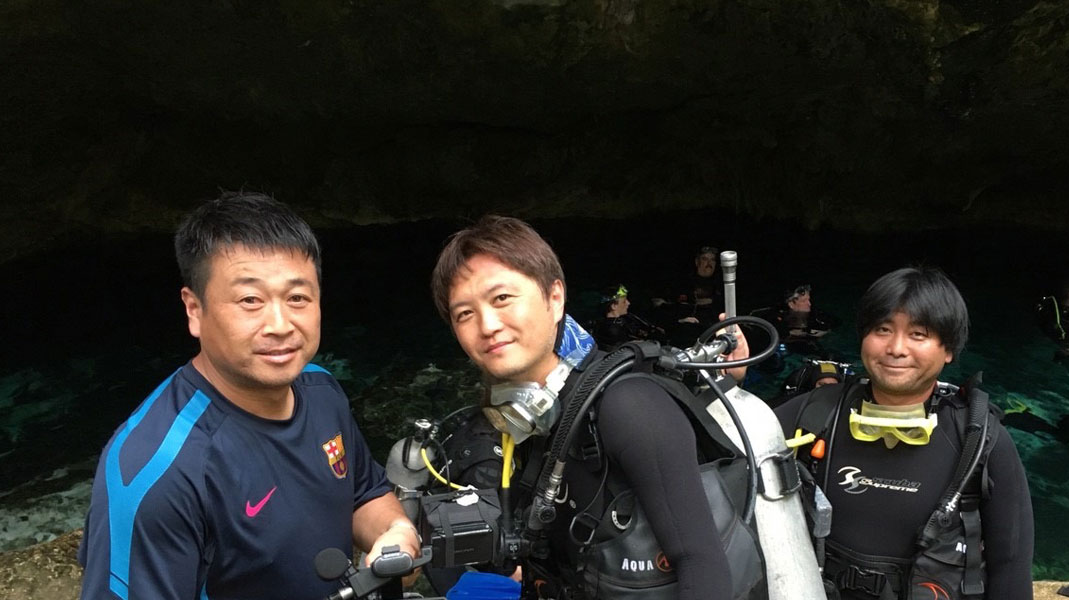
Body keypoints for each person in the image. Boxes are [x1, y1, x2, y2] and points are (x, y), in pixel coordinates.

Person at [78, 193, 420, 600]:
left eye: (297, 298)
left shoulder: (320, 389)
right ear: (194, 309)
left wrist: (395, 532)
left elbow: (363, 493)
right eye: (250, 300)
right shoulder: (157, 472)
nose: (280, 325)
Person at [430, 216, 752, 600]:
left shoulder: (627, 406)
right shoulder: (522, 418)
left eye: (502, 298)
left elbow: (704, 567)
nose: (487, 325)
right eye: (465, 314)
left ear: (555, 298)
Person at [774, 267, 1034, 600]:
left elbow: (1010, 568)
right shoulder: (816, 413)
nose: (896, 348)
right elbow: (726, 455)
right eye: (883, 329)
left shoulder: (979, 440)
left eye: (918, 334)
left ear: (948, 349)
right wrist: (728, 381)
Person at [650, 246, 725, 346]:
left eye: (712, 260)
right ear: (697, 262)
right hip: (683, 336)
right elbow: (659, 305)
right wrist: (679, 320)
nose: (709, 263)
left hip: (712, 336)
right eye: (705, 259)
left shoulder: (721, 286)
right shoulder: (681, 284)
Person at [589, 284, 666, 350]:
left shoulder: (627, 318)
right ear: (614, 306)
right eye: (624, 301)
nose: (628, 303)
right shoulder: (612, 330)